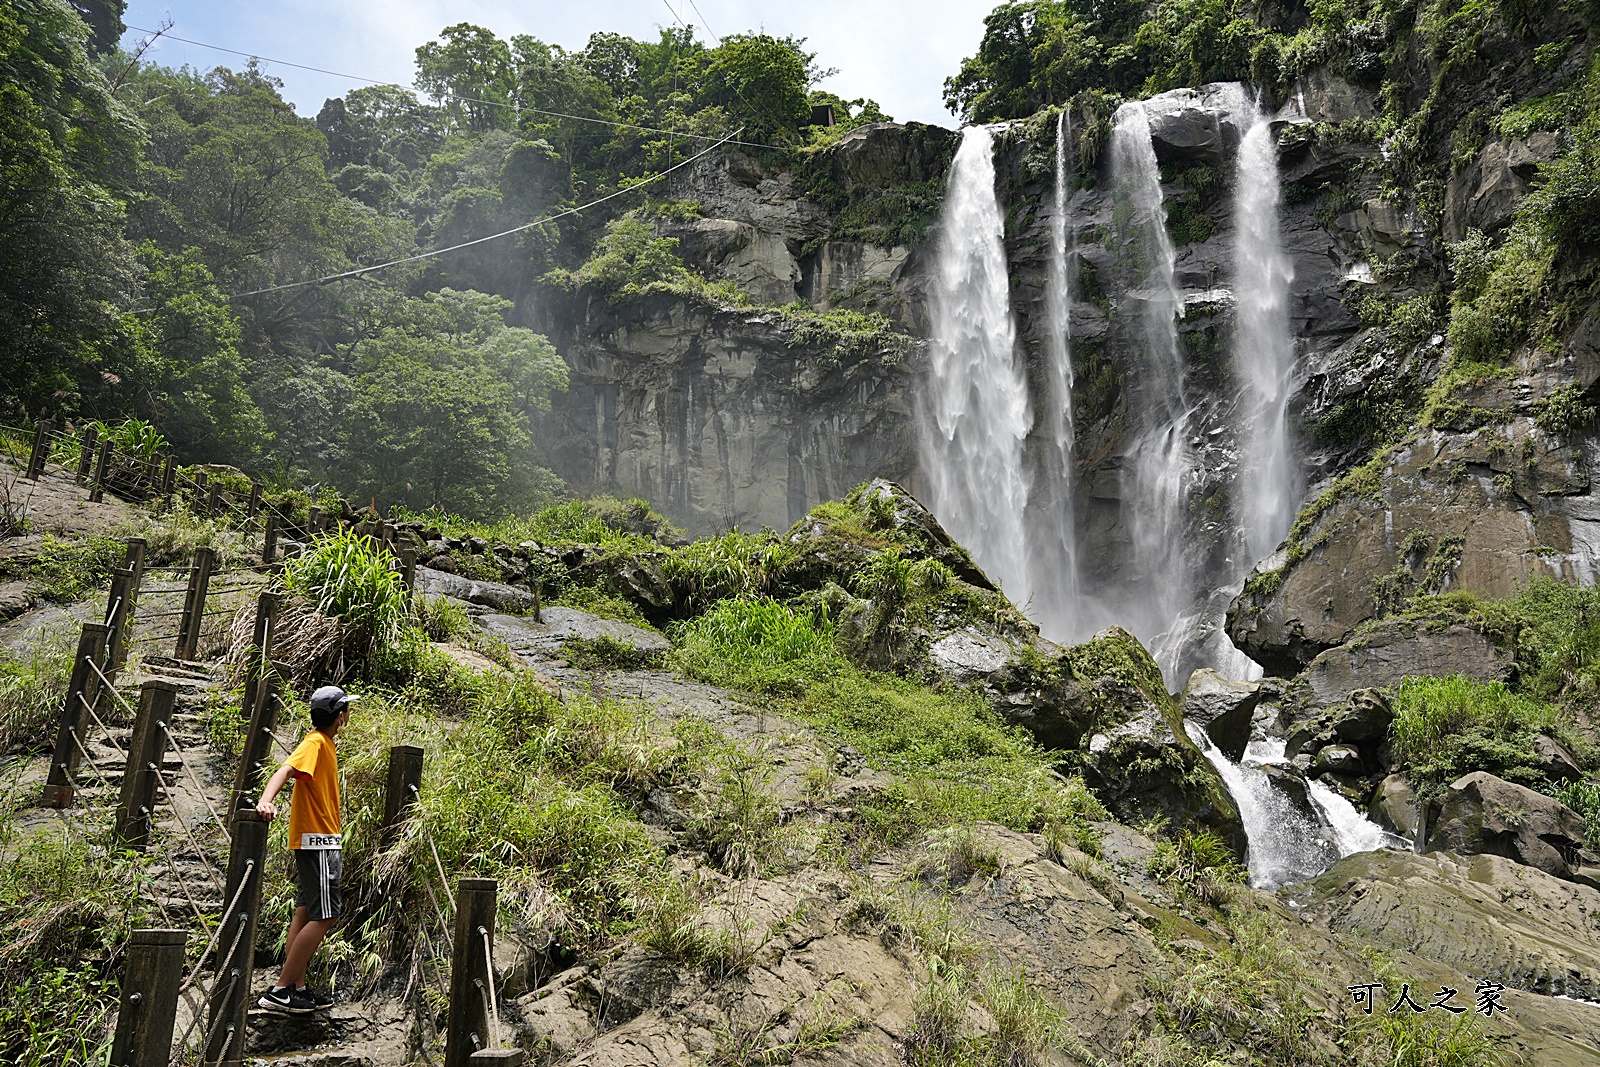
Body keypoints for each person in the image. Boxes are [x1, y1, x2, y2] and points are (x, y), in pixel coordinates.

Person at [254, 684, 359, 1015]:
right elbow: (285, 769)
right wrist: (266, 800)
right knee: (326, 915)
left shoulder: (323, 743)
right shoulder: (315, 743)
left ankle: (296, 987)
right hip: (320, 842)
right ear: (340, 716)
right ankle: (281, 989)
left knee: (305, 912)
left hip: (315, 841)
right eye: (346, 711)